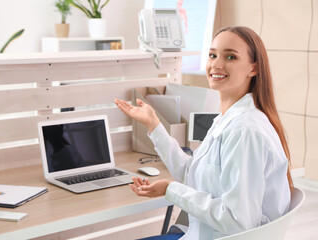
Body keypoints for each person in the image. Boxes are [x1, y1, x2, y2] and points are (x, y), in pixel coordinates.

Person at [114, 26, 293, 240]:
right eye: (212, 55)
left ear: (253, 68)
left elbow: (238, 222)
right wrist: (153, 125)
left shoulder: (245, 131)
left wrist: (172, 189)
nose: (216, 64)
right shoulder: (228, 119)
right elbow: (193, 175)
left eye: (230, 57)